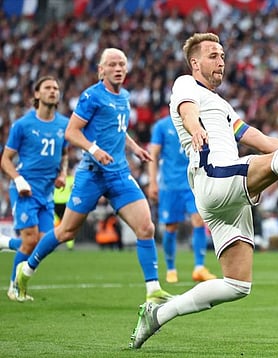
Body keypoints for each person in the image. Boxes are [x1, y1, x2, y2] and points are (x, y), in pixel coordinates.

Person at [129, 32, 278, 349]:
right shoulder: (185, 85)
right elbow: (187, 110)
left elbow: (264, 141)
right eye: (213, 55)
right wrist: (195, 127)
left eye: (223, 55)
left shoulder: (222, 105)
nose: (221, 61)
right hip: (213, 178)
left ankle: (159, 313)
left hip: (226, 195)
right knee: (273, 164)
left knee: (237, 284)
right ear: (195, 62)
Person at [14, 48, 173, 304]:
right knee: (66, 232)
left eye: (122, 63)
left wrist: (135, 149)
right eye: (112, 64)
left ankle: (153, 289)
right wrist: (94, 149)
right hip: (92, 174)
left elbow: (118, 131)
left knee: (146, 227)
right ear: (101, 70)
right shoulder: (91, 96)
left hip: (119, 173)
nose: (118, 68)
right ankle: (27, 269)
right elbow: (71, 132)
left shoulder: (125, 96)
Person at [0, 76, 69, 302]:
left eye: (56, 88)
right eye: (48, 88)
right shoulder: (22, 125)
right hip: (25, 191)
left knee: (47, 242)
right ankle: (14, 287)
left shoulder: (64, 124)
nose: (53, 91)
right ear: (37, 94)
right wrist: (18, 180)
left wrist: (62, 173)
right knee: (30, 240)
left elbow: (65, 153)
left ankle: (5, 243)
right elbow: (6, 159)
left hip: (47, 193)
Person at [147, 115, 216, 284]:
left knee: (199, 220)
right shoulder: (162, 126)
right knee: (171, 226)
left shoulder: (197, 123)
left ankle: (199, 268)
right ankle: (171, 269)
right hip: (170, 185)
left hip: (192, 183)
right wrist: (152, 182)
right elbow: (153, 155)